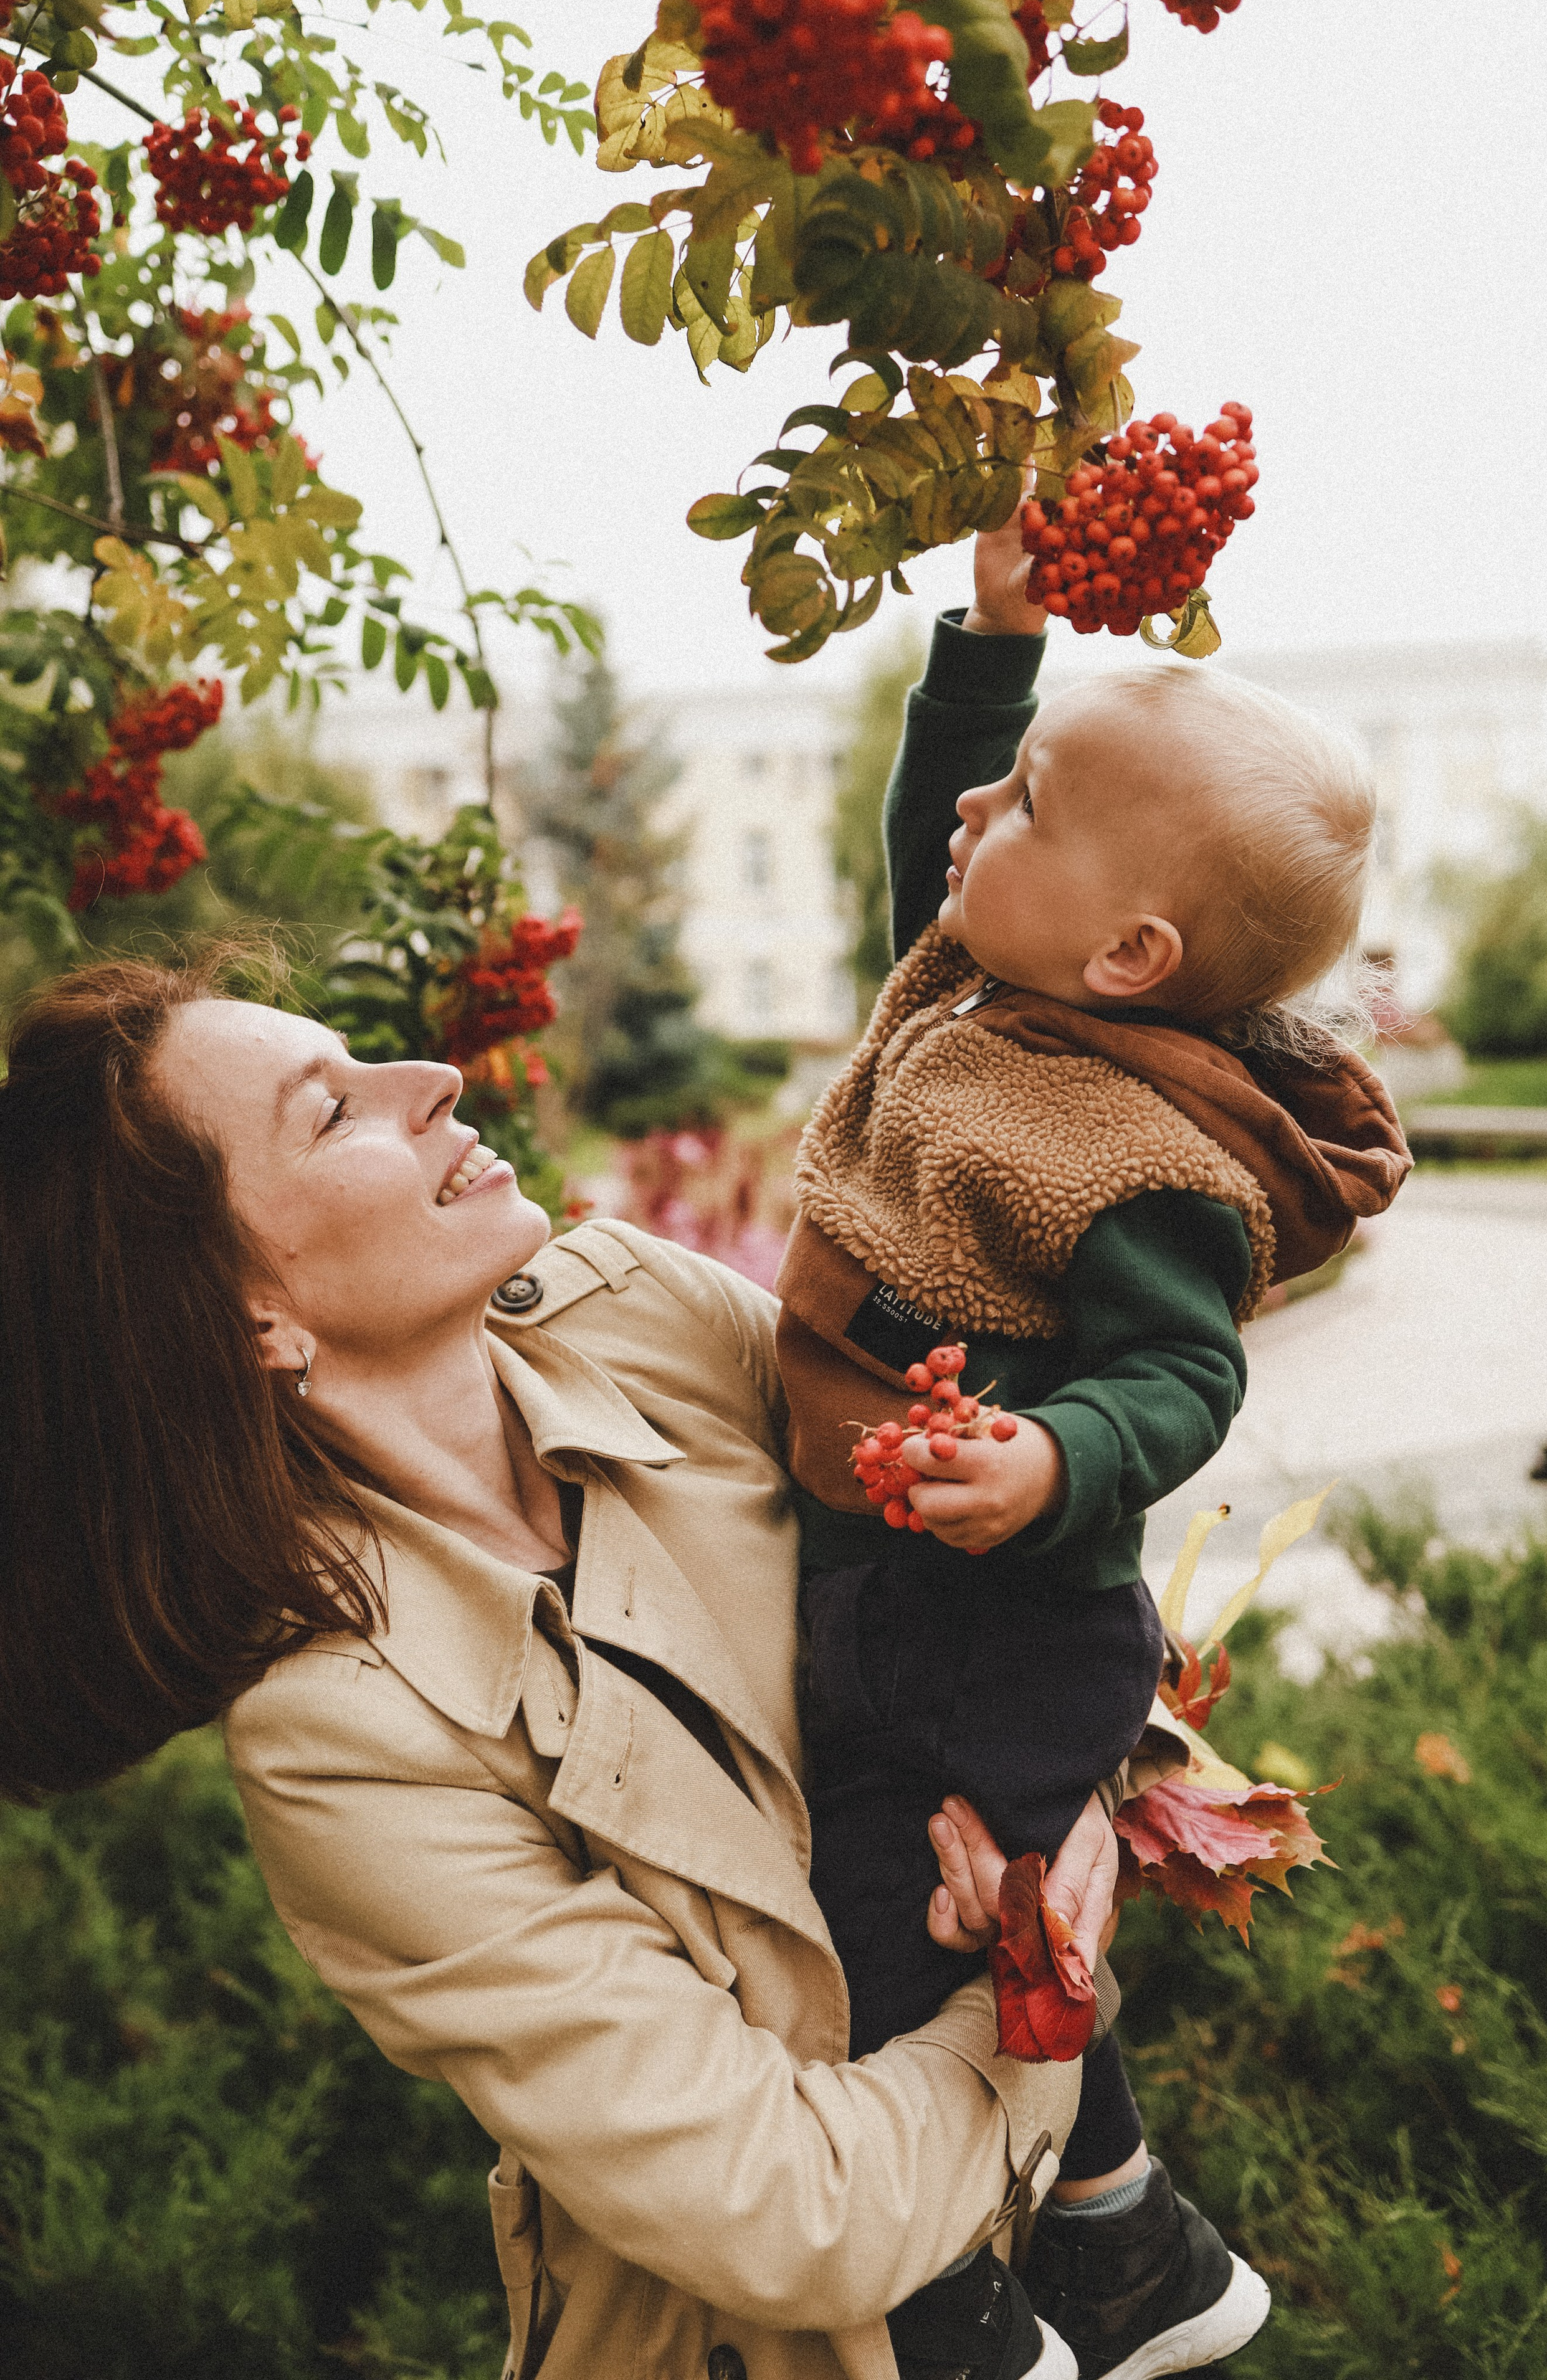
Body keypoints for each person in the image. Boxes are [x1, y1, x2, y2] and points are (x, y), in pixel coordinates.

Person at [0, 952, 1130, 2380]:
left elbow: (989, 1524)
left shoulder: (631, 1310)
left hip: (1057, 2282)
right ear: (247, 1317)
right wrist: (1038, 1995)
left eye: (372, 1058)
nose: (433, 1080)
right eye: (332, 1111)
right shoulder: (341, 1735)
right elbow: (794, 2214)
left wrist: (1077, 1778)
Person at [775, 512, 1412, 2378]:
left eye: (1029, 802)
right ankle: (1131, 2245)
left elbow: (1181, 1384)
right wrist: (993, 649)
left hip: (1004, 1610)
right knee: (963, 1914)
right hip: (907, 1564)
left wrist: (1052, 1460)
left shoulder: (1142, 1159)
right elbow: (933, 842)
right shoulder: (987, 984)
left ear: (1133, 950)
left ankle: (952, 2292)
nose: (980, 811)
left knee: (899, 1921)